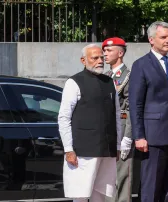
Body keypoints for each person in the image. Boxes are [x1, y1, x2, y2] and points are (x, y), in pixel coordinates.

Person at [129, 21, 168, 202]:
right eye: (163, 37)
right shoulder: (141, 65)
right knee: (152, 186)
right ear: (151, 40)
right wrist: (139, 135)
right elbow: (136, 104)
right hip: (152, 136)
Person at [58, 44, 122, 202]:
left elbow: (116, 115)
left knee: (100, 195)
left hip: (107, 150)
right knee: (80, 195)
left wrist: (118, 146)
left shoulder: (109, 82)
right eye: (95, 58)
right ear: (83, 60)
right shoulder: (74, 82)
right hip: (83, 151)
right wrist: (68, 149)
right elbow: (64, 117)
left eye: (101, 57)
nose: (100, 61)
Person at [102, 37, 134, 202]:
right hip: (107, 132)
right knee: (107, 180)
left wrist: (128, 136)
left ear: (120, 53)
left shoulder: (129, 76)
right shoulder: (106, 75)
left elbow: (131, 109)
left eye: (109, 50)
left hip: (121, 131)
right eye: (104, 50)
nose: (105, 54)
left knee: (121, 178)